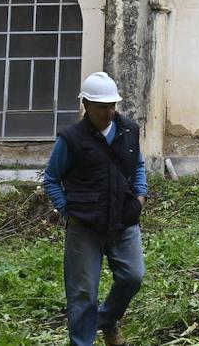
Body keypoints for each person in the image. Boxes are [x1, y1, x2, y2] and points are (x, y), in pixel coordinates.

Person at [43, 71, 148, 346]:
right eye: (102, 107)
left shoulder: (129, 131)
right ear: (86, 105)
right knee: (83, 294)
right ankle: (83, 341)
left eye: (112, 106)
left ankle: (106, 320)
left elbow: (138, 165)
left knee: (133, 277)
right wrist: (69, 211)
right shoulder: (71, 139)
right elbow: (52, 179)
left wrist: (140, 196)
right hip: (85, 226)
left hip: (124, 218)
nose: (109, 112)